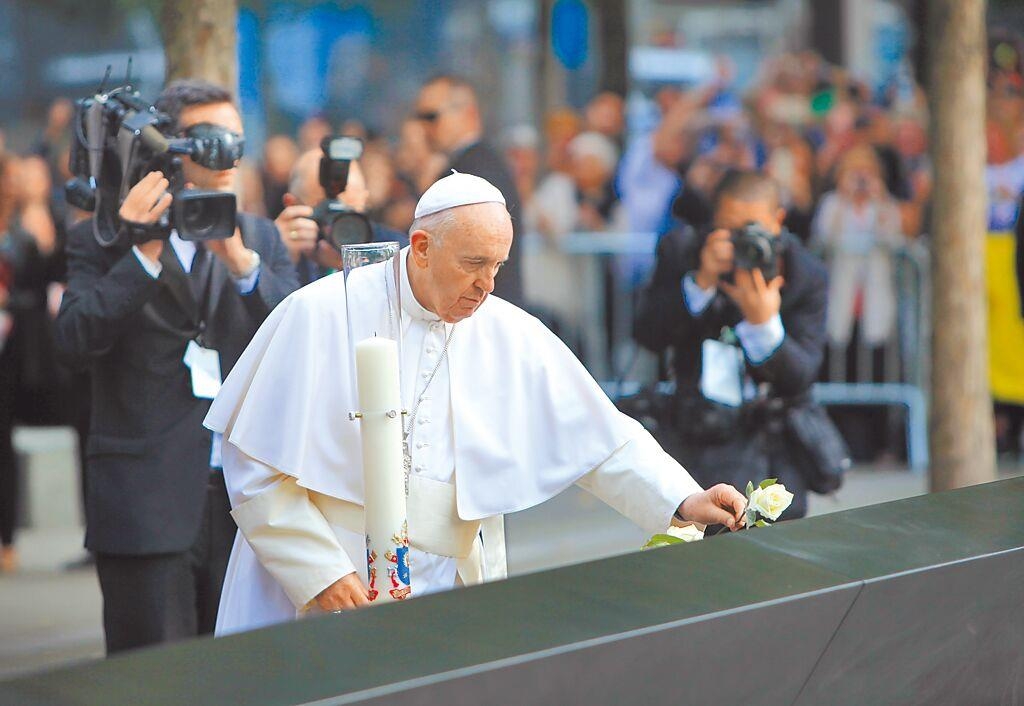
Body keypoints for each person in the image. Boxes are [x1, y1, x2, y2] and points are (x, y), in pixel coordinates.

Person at [205, 172, 748, 635]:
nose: (487, 285)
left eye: (498, 266)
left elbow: (601, 437)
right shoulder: (321, 312)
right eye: (473, 263)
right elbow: (253, 458)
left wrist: (683, 498)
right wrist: (318, 571)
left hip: (444, 586)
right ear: (420, 247)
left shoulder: (507, 331)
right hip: (328, 577)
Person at [54, 79, 299, 653]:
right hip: (146, 503)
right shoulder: (105, 237)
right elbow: (72, 341)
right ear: (171, 146)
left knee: (243, 674)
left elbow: (296, 344)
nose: (231, 155)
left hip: (247, 504)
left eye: (239, 140)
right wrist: (142, 254)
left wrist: (242, 267)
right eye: (214, 139)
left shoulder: (259, 237)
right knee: (154, 680)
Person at [634, 170, 829, 521]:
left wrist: (765, 326)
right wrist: (700, 284)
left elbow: (803, 376)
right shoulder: (684, 252)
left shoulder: (804, 274)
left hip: (775, 450)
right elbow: (647, 334)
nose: (741, 242)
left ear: (778, 221)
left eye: (751, 229)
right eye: (729, 228)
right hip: (697, 440)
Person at [414, 75, 523, 305]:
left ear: (468, 113)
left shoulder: (472, 171)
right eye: (420, 118)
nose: (423, 127)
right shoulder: (478, 162)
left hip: (481, 309)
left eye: (431, 117)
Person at [274, 148, 408, 286]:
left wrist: (352, 265)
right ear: (292, 205)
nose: (337, 226)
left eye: (350, 211)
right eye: (327, 212)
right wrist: (277, 255)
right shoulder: (274, 247)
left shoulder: (393, 250)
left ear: (364, 201)